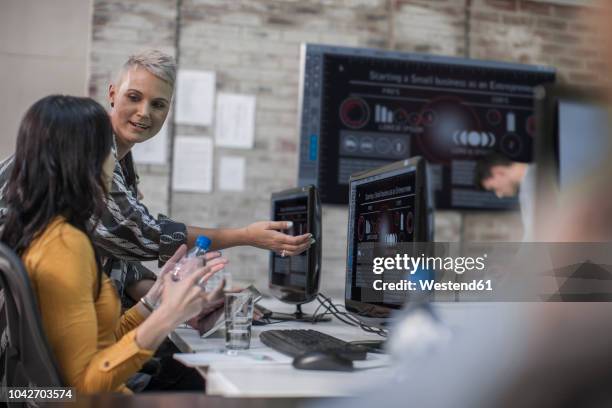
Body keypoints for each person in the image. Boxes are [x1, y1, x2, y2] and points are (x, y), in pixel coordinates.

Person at [0, 49, 311, 308]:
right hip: (18, 327)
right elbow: (139, 233)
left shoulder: (122, 164)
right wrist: (246, 235)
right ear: (112, 94)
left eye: (158, 104)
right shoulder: (88, 146)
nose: (144, 113)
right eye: (134, 97)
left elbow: (117, 251)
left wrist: (192, 302)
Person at [0, 95, 228, 393]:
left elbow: (99, 344)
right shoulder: (65, 247)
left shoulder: (43, 233)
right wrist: (169, 314)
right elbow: (83, 388)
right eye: (107, 151)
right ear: (82, 161)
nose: (115, 163)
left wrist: (156, 298)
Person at [474, 153, 535, 241]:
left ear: (498, 172)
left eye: (494, 188)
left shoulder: (532, 185)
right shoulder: (532, 180)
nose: (499, 195)